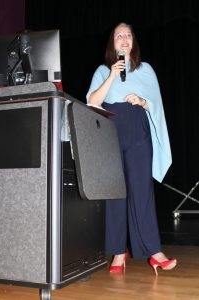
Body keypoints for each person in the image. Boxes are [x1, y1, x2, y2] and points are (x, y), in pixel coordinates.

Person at [86, 22, 177, 275]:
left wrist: (142, 101)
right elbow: (92, 102)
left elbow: (156, 105)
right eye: (119, 36)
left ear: (133, 42)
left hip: (137, 127)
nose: (124, 39)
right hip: (112, 129)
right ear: (112, 43)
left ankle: (155, 252)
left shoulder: (145, 69)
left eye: (128, 35)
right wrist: (112, 76)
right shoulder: (103, 70)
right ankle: (118, 251)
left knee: (141, 191)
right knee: (116, 193)